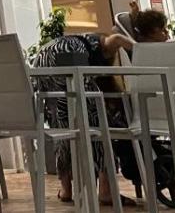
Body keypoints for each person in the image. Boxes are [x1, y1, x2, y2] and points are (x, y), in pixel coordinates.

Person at [32, 29, 140, 207]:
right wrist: (143, 50)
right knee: (100, 124)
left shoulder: (82, 43)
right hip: (69, 53)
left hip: (42, 58)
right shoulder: (98, 45)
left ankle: (66, 189)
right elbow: (116, 38)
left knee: (62, 125)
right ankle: (106, 191)